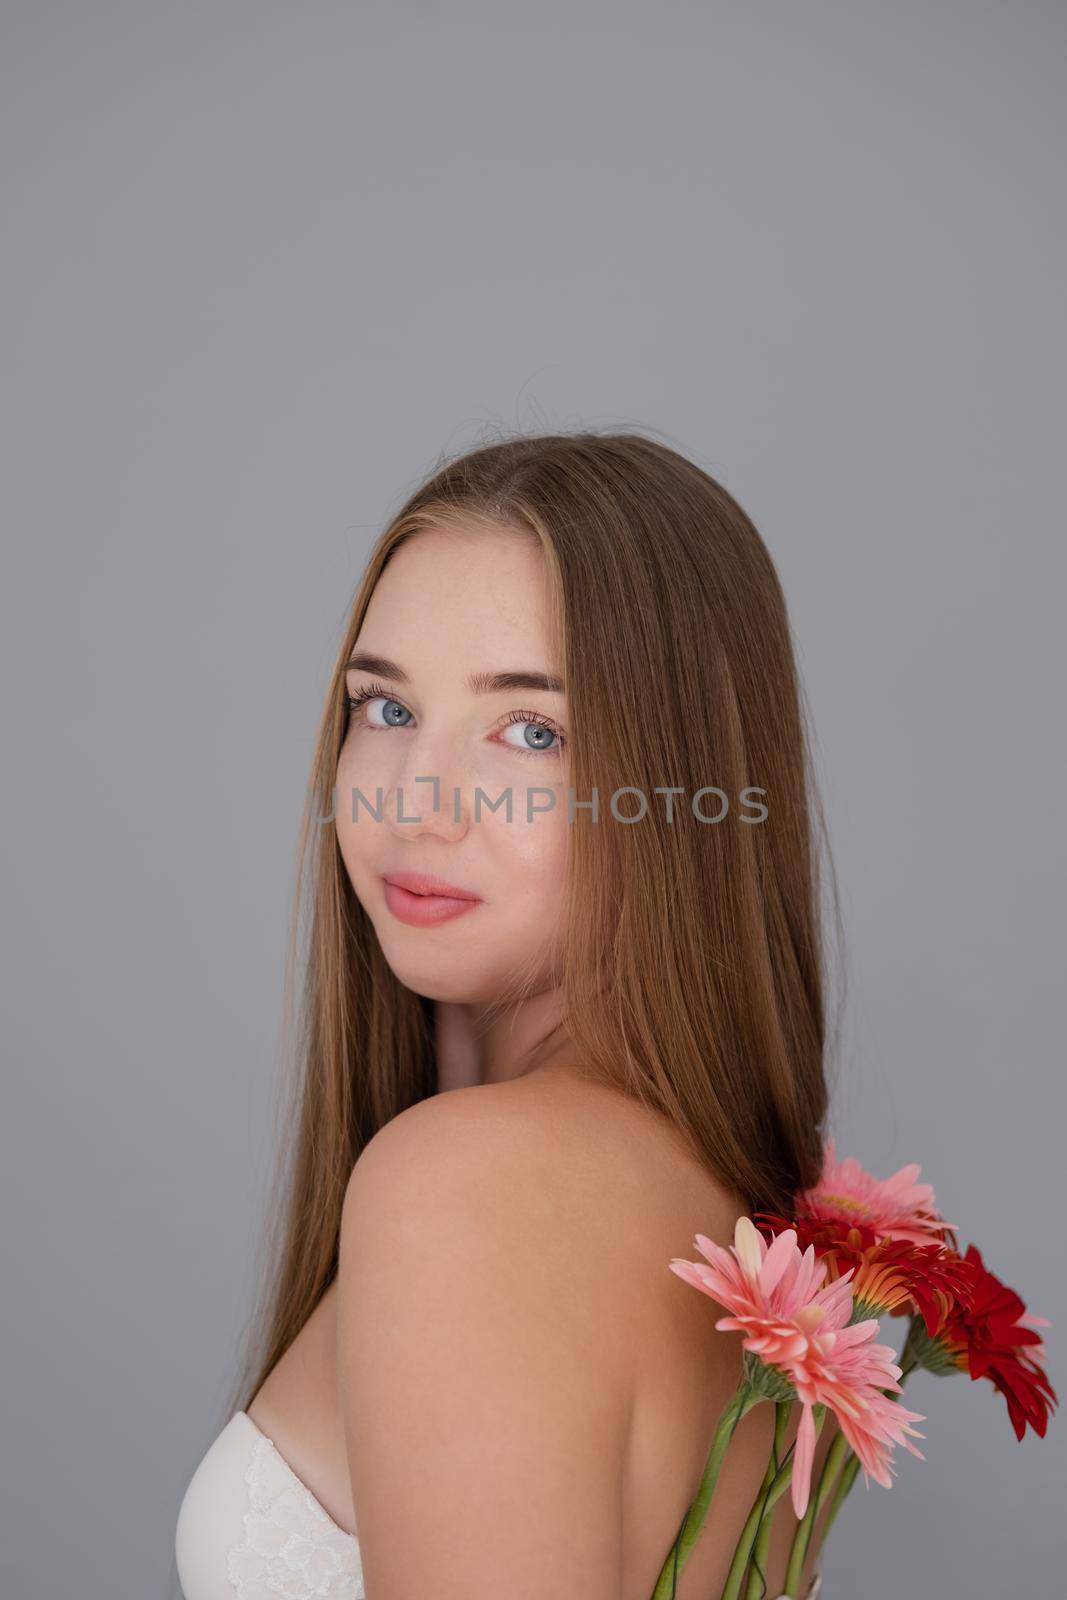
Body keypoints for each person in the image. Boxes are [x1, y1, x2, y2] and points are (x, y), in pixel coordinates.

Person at [174, 430, 840, 1599]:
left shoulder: (468, 1187)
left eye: (532, 731)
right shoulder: (736, 1227)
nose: (413, 798)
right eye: (382, 708)